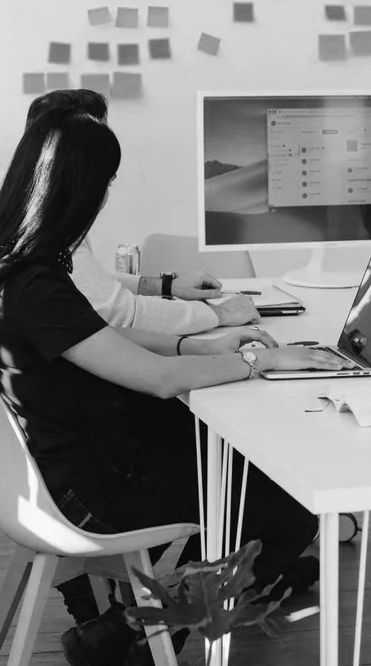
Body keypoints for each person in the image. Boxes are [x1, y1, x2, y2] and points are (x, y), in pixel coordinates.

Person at [0, 108, 352, 665]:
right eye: (106, 183)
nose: (105, 198)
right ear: (81, 189)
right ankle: (141, 641)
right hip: (90, 488)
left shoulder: (22, 265)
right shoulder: (36, 284)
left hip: (72, 460)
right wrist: (261, 360)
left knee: (243, 474)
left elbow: (100, 338)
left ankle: (124, 629)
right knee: (285, 507)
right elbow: (159, 380)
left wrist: (199, 346)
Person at [25, 89, 259, 335]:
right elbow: (121, 314)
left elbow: (90, 286)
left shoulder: (40, 210)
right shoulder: (46, 230)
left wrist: (166, 286)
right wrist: (220, 314)